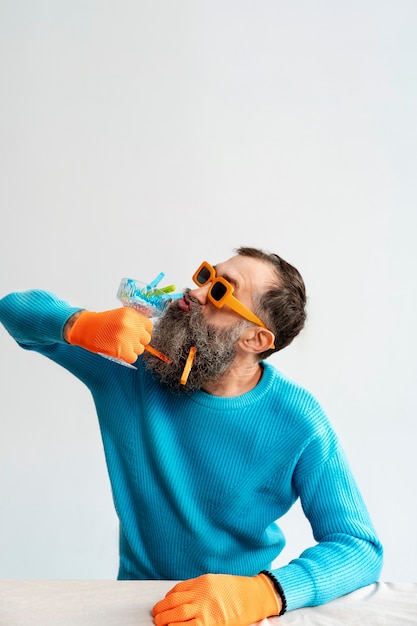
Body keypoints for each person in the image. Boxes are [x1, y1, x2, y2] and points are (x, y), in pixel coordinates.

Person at [0, 246, 383, 624]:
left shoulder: (299, 420)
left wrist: (265, 593)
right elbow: (13, 310)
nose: (194, 293)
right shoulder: (134, 364)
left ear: (255, 339)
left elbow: (358, 547)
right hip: (135, 606)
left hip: (236, 612)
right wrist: (79, 325)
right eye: (207, 276)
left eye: (220, 292)